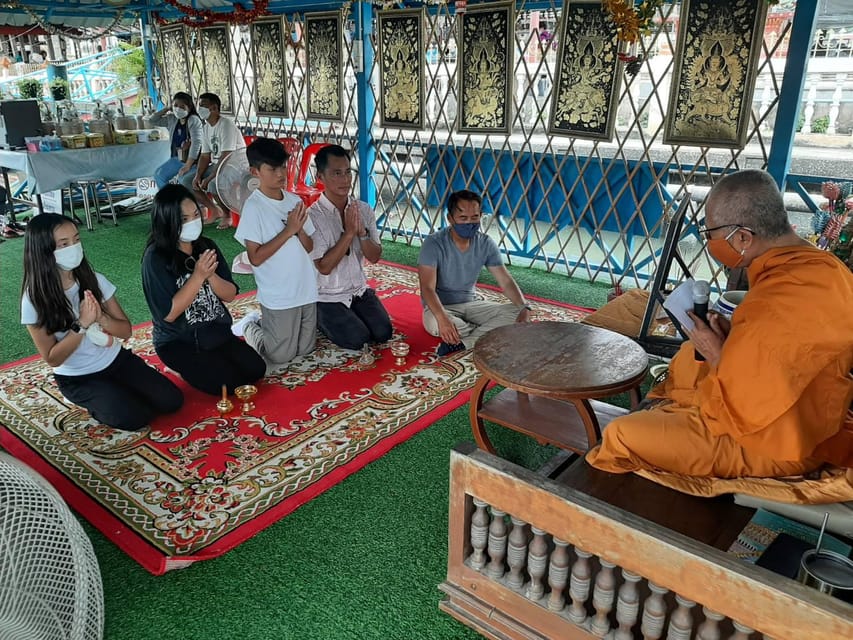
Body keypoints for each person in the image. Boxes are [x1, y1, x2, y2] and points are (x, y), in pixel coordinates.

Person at [587, 169, 853, 478]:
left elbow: (759, 401)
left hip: (775, 441)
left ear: (742, 237)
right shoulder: (826, 270)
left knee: (622, 434)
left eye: (711, 234)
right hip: (787, 414)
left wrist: (717, 353)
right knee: (688, 357)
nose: (709, 242)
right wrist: (730, 341)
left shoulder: (785, 294)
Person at [20, 214, 183, 431]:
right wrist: (81, 325)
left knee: (171, 401)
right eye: (64, 244)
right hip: (78, 378)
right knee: (134, 418)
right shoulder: (34, 299)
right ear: (44, 251)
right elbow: (53, 358)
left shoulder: (94, 280)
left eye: (77, 240)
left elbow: (125, 331)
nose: (74, 247)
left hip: (116, 360)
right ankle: (98, 399)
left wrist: (102, 318)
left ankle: (116, 392)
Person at [141, 184, 266, 395]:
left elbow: (230, 294)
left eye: (195, 214)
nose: (193, 222)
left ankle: (207, 363)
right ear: (167, 221)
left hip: (216, 333)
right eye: (184, 219)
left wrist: (211, 276)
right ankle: (179, 367)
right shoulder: (155, 258)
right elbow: (168, 315)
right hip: (180, 341)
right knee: (227, 385)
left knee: (256, 370)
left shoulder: (206, 245)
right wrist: (198, 277)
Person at [232, 137, 317, 367]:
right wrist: (289, 230)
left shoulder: (294, 201)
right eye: (272, 169)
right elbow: (255, 258)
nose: (281, 173)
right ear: (255, 171)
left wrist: (298, 231)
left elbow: (310, 246)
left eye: (283, 167)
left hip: (305, 288)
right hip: (279, 293)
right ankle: (250, 326)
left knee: (305, 349)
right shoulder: (254, 207)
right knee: (279, 356)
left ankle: (265, 325)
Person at [417, 190, 532, 356]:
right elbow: (427, 288)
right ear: (450, 219)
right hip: (440, 308)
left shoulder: (485, 243)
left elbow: (505, 281)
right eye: (463, 218)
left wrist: (524, 307)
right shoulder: (434, 243)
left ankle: (466, 342)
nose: (469, 223)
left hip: (471, 303)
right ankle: (485, 331)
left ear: (481, 216)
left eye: (474, 217)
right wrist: (443, 319)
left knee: (517, 312)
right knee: (444, 326)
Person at [307, 145, 393, 350]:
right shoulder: (312, 216)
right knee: (358, 339)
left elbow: (374, 257)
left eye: (348, 172)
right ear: (320, 176)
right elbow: (324, 267)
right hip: (326, 295)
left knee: (383, 333)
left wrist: (361, 232)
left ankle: (351, 315)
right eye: (337, 173)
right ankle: (317, 315)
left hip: (358, 290)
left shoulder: (363, 209)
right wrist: (348, 233)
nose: (345, 180)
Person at [192, 92, 245, 230]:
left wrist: (210, 177)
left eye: (203, 106)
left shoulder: (226, 125)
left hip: (235, 164)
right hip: (218, 164)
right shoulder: (205, 128)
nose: (200, 109)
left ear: (214, 108)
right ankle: (214, 209)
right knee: (187, 180)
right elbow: (204, 156)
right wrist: (198, 175)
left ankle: (227, 215)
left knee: (214, 185)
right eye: (199, 105)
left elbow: (226, 156)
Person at [149, 92, 204, 189]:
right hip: (177, 158)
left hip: (193, 161)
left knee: (183, 180)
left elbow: (196, 143)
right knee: (159, 175)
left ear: (189, 107)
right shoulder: (172, 119)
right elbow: (152, 120)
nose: (178, 109)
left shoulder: (193, 120)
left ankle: (192, 203)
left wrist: (187, 165)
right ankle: (170, 200)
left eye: (182, 106)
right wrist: (167, 108)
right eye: (176, 105)